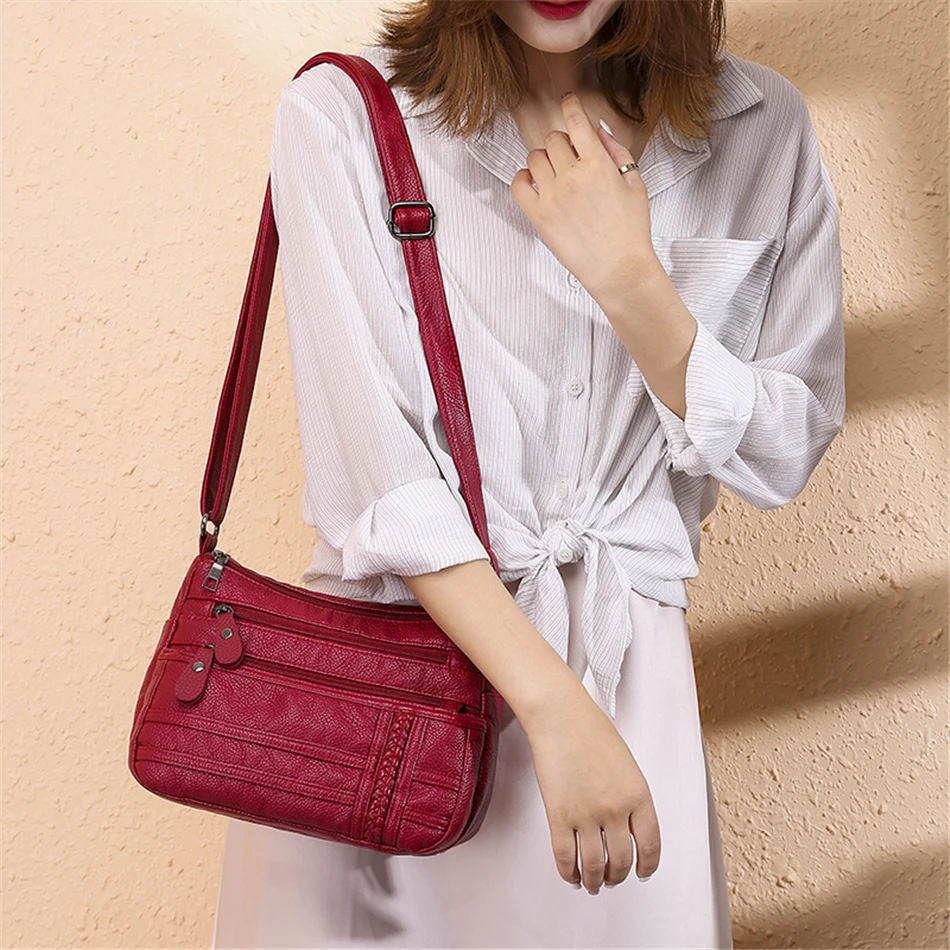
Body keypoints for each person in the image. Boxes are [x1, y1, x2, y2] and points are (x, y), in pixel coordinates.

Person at [210, 0, 845, 946]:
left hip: (629, 685)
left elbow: (783, 452)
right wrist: (554, 710)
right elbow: (376, 478)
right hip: (396, 702)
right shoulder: (347, 113)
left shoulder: (759, 126)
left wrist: (630, 278)